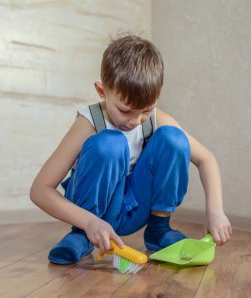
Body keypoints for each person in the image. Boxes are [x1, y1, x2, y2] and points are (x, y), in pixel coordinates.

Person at [30, 34, 232, 265]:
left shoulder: (155, 118)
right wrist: (87, 222)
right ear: (102, 91)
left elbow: (206, 158)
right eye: (125, 111)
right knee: (110, 143)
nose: (136, 121)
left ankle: (159, 229)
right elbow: (40, 189)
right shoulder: (88, 122)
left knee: (174, 139)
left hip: (135, 208)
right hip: (95, 216)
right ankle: (80, 236)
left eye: (146, 110)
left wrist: (215, 210)